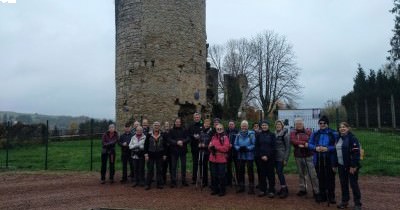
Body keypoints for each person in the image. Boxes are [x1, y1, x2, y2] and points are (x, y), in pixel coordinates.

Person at [307, 116, 338, 204]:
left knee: (330, 178)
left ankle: (331, 196)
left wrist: (327, 148)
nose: (322, 125)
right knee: (320, 177)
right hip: (318, 158)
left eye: (324, 123)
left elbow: (337, 146)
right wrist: (315, 148)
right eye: (321, 123)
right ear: (319, 124)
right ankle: (322, 194)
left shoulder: (334, 133)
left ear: (327, 124)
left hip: (330, 159)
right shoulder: (315, 133)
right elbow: (310, 144)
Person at [290, 118, 321, 203]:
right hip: (298, 156)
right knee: (301, 173)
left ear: (303, 124)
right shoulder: (293, 132)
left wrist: (306, 144)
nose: (298, 125)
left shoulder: (308, 132)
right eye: (297, 124)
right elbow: (293, 141)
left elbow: (311, 142)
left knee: (312, 174)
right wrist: (304, 143)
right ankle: (303, 189)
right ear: (295, 125)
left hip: (308, 155)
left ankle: (316, 191)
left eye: (300, 123)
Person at [335, 122, 362, 210]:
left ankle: (357, 203)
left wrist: (353, 166)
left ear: (348, 128)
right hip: (341, 165)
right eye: (340, 127)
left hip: (351, 166)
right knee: (343, 184)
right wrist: (335, 164)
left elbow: (356, 152)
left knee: (353, 184)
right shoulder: (338, 138)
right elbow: (336, 152)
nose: (342, 128)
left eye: (344, 127)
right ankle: (344, 201)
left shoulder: (352, 138)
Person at [255, 120, 276, 198]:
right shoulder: (258, 135)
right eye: (263, 125)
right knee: (262, 174)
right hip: (260, 158)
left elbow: (274, 147)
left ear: (268, 126)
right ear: (261, 126)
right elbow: (257, 147)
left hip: (270, 158)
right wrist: (261, 156)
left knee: (271, 174)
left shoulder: (272, 135)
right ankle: (263, 189)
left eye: (265, 125)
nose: (264, 126)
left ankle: (271, 190)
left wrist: (267, 156)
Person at [234, 120, 256, 194]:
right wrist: (239, 148)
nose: (244, 127)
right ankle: (241, 186)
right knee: (241, 171)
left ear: (247, 126)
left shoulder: (251, 134)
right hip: (240, 155)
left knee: (250, 171)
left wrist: (247, 148)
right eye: (242, 126)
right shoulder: (238, 135)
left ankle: (251, 188)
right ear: (240, 126)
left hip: (249, 155)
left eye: (245, 126)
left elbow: (254, 144)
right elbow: (235, 144)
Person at [144, 121, 168, 190]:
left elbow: (165, 145)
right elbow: (146, 145)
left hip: (160, 155)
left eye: (157, 125)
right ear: (153, 126)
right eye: (155, 125)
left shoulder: (162, 134)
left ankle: (159, 184)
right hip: (151, 154)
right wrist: (146, 154)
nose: (156, 126)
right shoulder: (149, 135)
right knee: (150, 170)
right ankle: (148, 184)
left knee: (159, 170)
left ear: (159, 126)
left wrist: (165, 154)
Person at [209, 123, 230, 196]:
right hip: (213, 158)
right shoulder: (213, 137)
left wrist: (216, 148)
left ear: (223, 129)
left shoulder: (225, 137)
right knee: (214, 175)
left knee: (221, 175)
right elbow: (210, 146)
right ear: (216, 129)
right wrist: (211, 148)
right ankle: (215, 189)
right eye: (217, 128)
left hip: (221, 159)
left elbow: (226, 148)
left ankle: (222, 190)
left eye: (220, 128)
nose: (219, 130)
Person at [168, 118, 190, 187]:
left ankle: (183, 180)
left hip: (183, 151)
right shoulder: (171, 130)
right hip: (174, 151)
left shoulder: (184, 130)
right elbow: (169, 139)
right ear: (175, 123)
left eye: (179, 122)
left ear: (180, 123)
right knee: (173, 167)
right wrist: (176, 142)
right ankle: (173, 181)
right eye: (176, 122)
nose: (177, 123)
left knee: (183, 166)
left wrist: (182, 141)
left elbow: (188, 138)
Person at [274, 120, 290, 198]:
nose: (278, 125)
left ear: (282, 126)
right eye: (277, 124)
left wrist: (285, 159)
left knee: (279, 172)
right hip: (275, 157)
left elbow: (288, 148)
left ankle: (284, 190)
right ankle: (284, 188)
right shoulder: (274, 134)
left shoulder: (285, 135)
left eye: (279, 124)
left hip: (281, 157)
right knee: (278, 172)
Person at [197, 118, 213, 187]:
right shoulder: (201, 131)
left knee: (210, 166)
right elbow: (200, 139)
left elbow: (211, 141)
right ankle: (204, 181)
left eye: (208, 123)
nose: (206, 124)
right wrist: (199, 143)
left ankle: (212, 181)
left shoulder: (211, 131)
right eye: (205, 123)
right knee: (203, 166)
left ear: (209, 124)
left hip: (208, 151)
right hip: (202, 151)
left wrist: (206, 145)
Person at [188, 113, 203, 185]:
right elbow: (188, 134)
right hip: (194, 146)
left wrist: (200, 136)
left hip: (202, 146)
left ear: (200, 118)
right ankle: (194, 178)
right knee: (195, 162)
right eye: (195, 117)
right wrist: (193, 136)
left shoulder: (202, 125)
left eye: (198, 117)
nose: (197, 118)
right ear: (194, 118)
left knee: (201, 162)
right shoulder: (191, 125)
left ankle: (201, 177)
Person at [225, 120, 239, 187]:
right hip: (228, 152)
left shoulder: (237, 131)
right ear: (228, 125)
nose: (231, 125)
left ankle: (238, 180)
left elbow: (239, 141)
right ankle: (229, 181)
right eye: (230, 124)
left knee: (237, 167)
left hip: (235, 151)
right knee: (228, 167)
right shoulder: (226, 132)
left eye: (232, 124)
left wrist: (233, 145)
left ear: (234, 125)